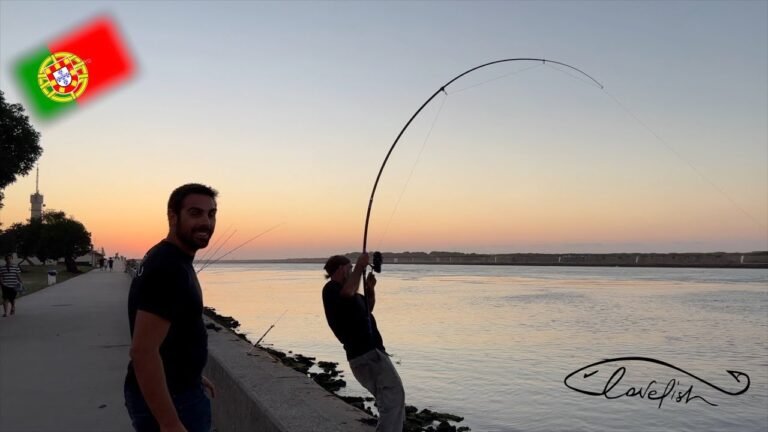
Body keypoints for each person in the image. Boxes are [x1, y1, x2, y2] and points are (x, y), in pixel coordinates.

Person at [124, 183, 218, 432]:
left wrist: (192, 374)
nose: (206, 222)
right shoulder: (169, 267)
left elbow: (172, 333)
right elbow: (143, 351)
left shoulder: (168, 257)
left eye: (211, 214)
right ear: (173, 216)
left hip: (180, 388)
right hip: (175, 401)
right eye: (195, 213)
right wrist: (170, 423)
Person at [322, 253, 405, 432]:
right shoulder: (331, 289)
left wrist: (370, 288)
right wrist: (360, 266)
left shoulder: (351, 295)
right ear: (342, 269)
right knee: (393, 399)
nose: (352, 271)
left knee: (389, 399)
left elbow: (368, 308)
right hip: (367, 355)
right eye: (350, 268)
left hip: (369, 354)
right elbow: (347, 293)